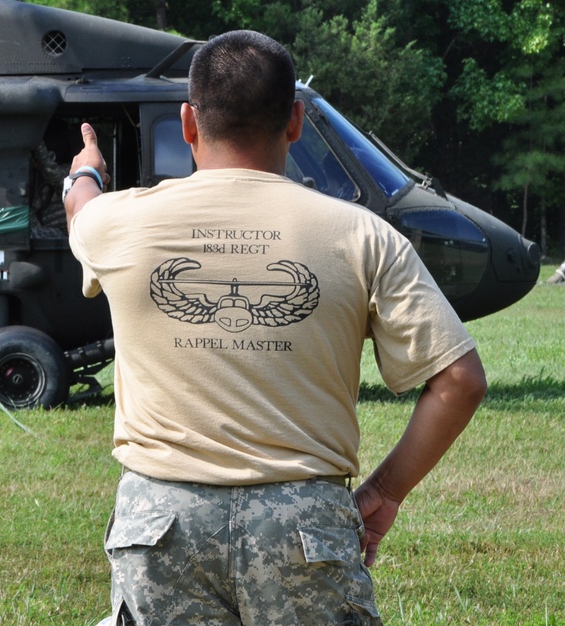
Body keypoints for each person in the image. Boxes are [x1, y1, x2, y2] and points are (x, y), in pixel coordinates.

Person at [65, 31, 487, 625]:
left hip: (160, 521)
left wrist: (83, 173)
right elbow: (459, 381)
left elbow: (82, 210)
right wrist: (385, 492)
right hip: (304, 522)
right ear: (295, 122)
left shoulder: (118, 222)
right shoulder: (363, 235)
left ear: (187, 122)